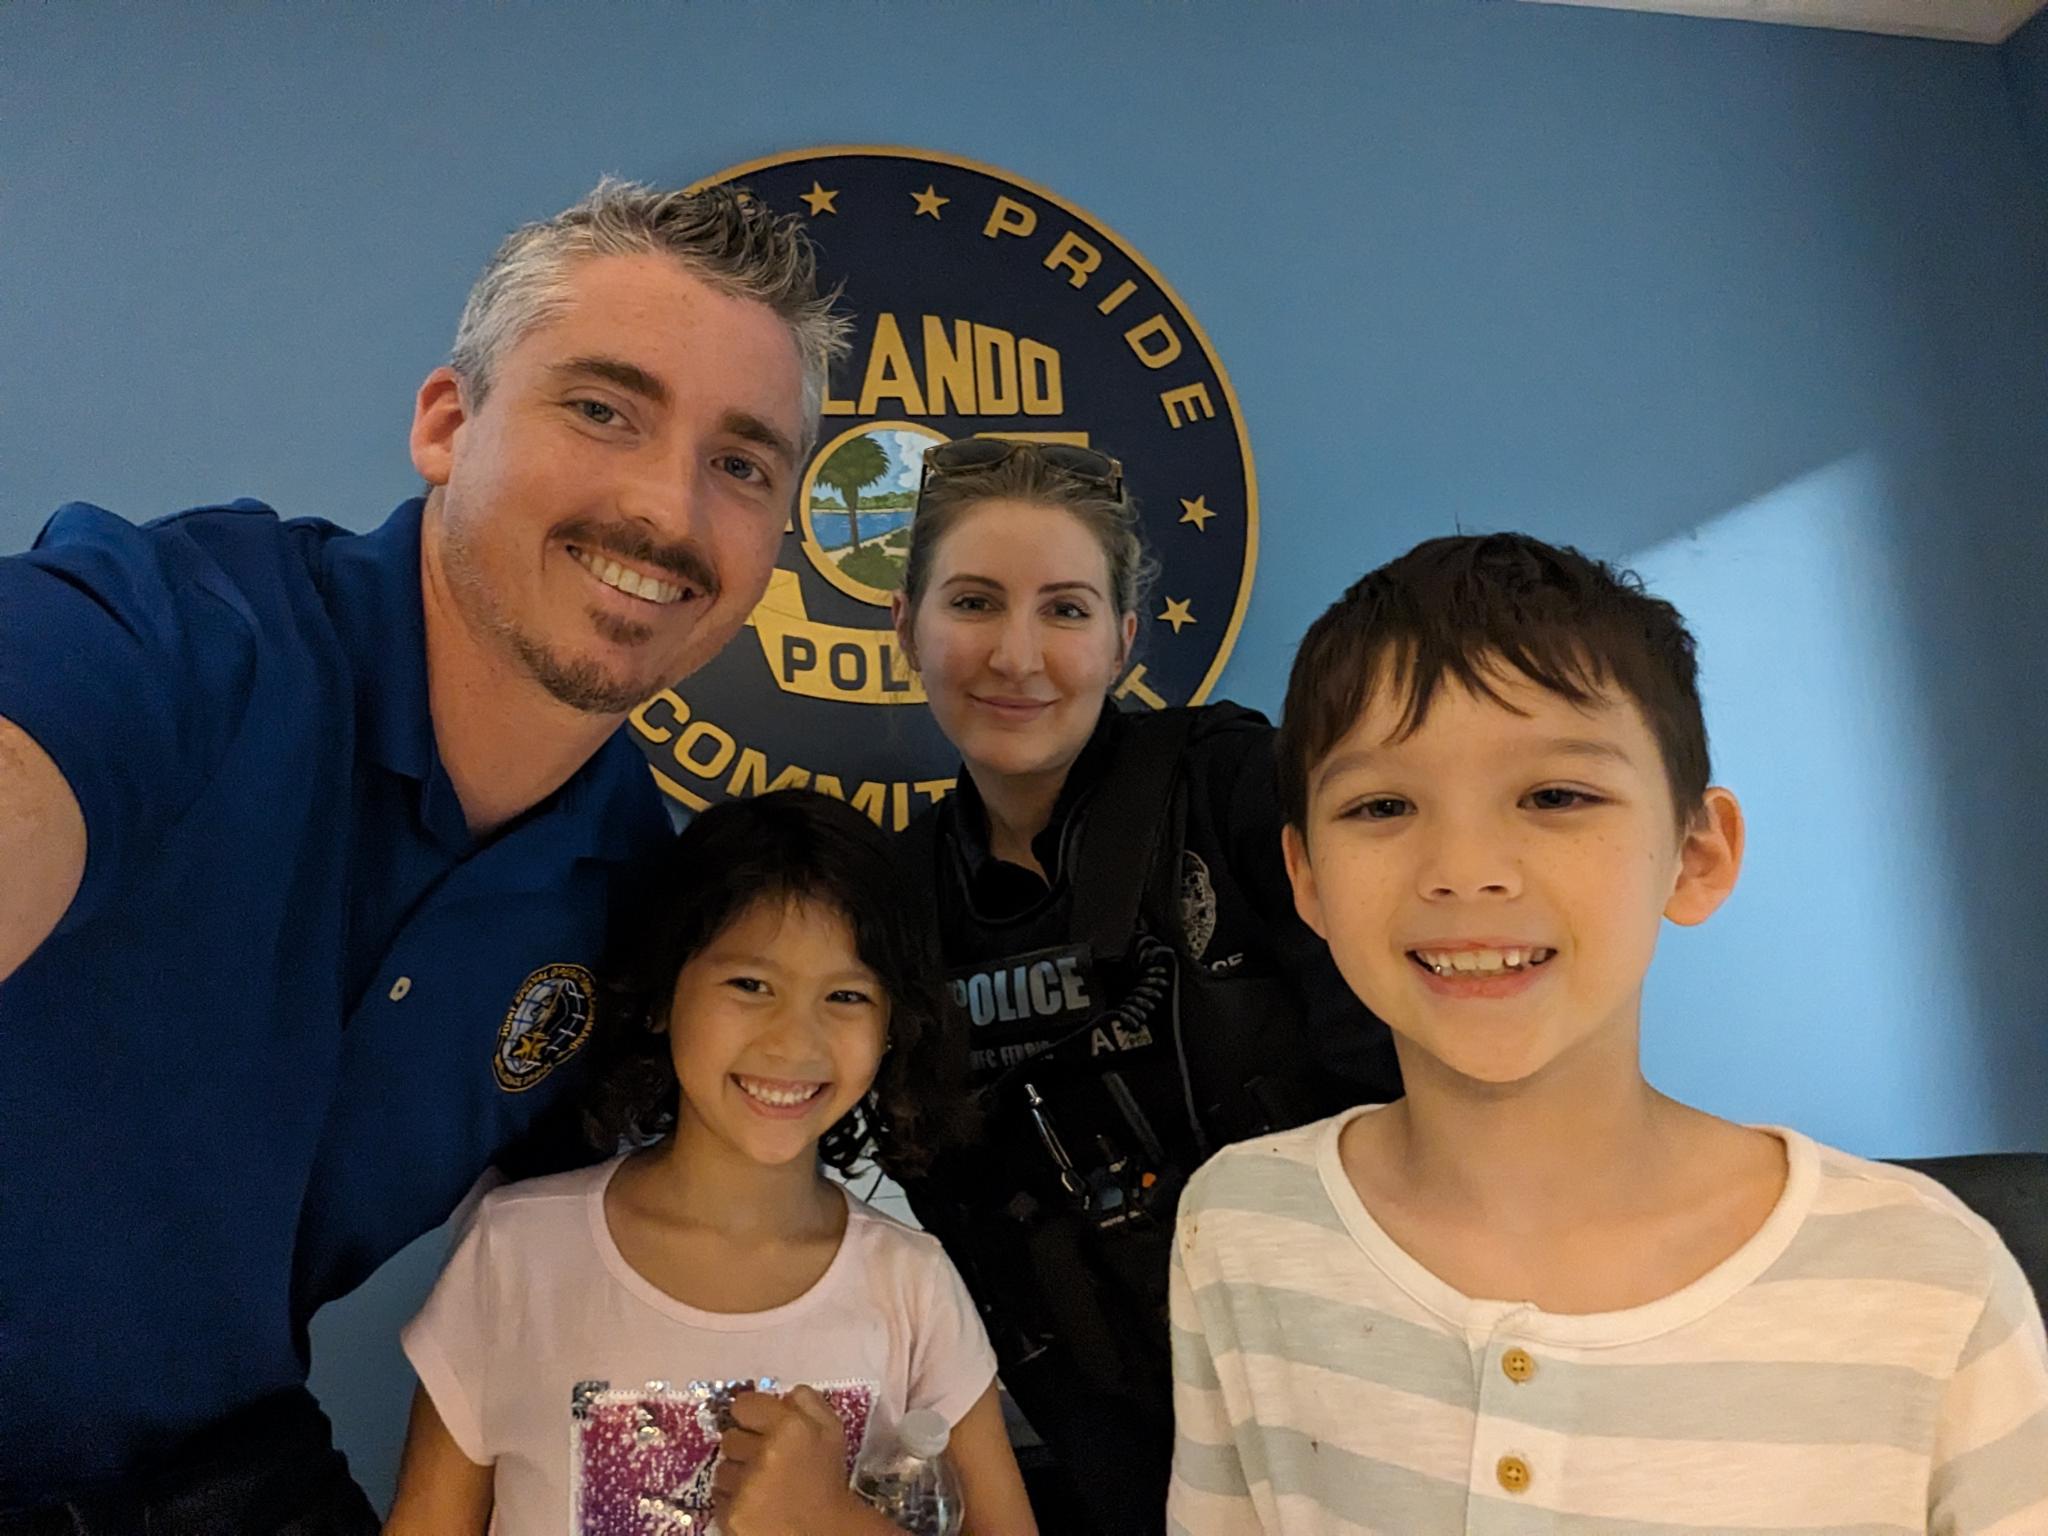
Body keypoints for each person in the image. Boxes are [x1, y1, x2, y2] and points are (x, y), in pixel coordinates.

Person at [0, 179, 846, 1530]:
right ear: (448, 424)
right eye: (604, 409)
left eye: (741, 463)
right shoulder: (187, 636)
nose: (668, 509)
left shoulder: (639, 891)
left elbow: (630, 1270)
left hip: (210, 1462)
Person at [1168, 533, 2048, 1533]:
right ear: (1307, 880)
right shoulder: (1237, 1229)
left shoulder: (1924, 1282)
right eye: (1381, 804)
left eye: (1553, 796)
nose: (1463, 869)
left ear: (1694, 855)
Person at [885, 439, 1403, 1536]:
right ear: (904, 628)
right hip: (1113, 1442)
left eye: (1064, 611)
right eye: (973, 601)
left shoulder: (1233, 791)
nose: (1016, 656)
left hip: (1371, 1395)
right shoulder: (893, 901)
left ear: (1122, 641)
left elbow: (1412, 1085)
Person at [383, 790, 1037, 1536]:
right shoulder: (515, 1252)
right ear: (663, 991)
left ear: (895, 1024)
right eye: (751, 984)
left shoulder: (911, 1285)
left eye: (847, 995)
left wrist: (830, 1522)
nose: (796, 1041)